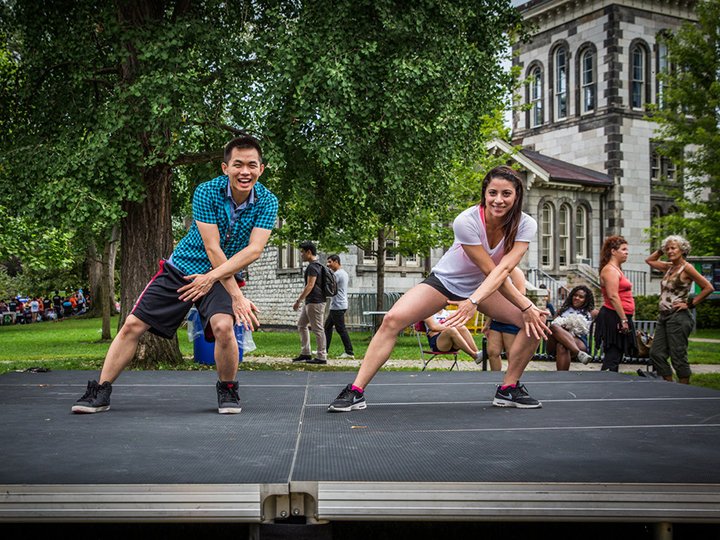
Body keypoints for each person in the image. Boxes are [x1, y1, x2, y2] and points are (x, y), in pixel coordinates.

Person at [71, 136, 278, 414]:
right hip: (182, 268)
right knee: (132, 325)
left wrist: (216, 281)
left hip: (220, 276)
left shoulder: (267, 201)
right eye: (237, 164)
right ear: (224, 167)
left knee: (224, 328)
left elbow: (254, 250)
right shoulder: (206, 191)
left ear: (261, 169)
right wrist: (236, 295)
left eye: (251, 165)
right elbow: (212, 247)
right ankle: (100, 390)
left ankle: (228, 390)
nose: (244, 171)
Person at [327, 165, 550, 412]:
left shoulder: (525, 224)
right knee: (391, 320)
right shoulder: (466, 221)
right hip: (444, 283)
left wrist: (527, 308)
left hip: (483, 289)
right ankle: (356, 391)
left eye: (506, 194)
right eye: (493, 193)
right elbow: (491, 270)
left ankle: (509, 388)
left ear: (517, 195)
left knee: (536, 322)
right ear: (484, 194)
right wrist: (480, 302)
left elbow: (504, 270)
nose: (498, 200)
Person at [645, 235, 714, 384]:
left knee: (678, 355)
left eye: (673, 248)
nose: (670, 251)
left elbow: (708, 288)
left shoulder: (687, 268)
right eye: (667, 248)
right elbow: (649, 261)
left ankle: (684, 389)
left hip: (678, 317)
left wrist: (690, 304)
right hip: (663, 316)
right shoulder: (669, 267)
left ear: (682, 250)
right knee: (656, 353)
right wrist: (661, 250)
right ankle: (669, 385)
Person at [594, 236, 637, 372]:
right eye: (623, 249)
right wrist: (623, 319)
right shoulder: (609, 270)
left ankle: (610, 382)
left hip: (620, 315)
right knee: (613, 354)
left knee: (617, 355)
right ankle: (606, 383)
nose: (626, 252)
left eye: (627, 250)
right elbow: (613, 296)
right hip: (614, 316)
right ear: (613, 251)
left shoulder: (616, 269)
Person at [483, 267, 528, 372]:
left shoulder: (516, 272)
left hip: (510, 320)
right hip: (496, 319)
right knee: (492, 351)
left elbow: (521, 294)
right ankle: (495, 377)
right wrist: (487, 323)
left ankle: (511, 379)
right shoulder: (495, 270)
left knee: (511, 353)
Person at [292, 241, 328, 365]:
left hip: (315, 302)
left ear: (309, 252)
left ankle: (321, 356)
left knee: (318, 329)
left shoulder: (313, 267)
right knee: (301, 325)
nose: (301, 254)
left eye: (302, 252)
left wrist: (298, 301)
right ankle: (306, 352)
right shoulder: (316, 265)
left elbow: (310, 285)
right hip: (311, 302)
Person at [547, 285, 596, 370]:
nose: (577, 298)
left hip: (579, 340)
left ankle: (562, 378)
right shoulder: (561, 310)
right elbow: (553, 330)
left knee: (562, 346)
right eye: (575, 295)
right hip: (555, 342)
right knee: (554, 326)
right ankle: (579, 354)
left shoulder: (591, 312)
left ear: (586, 300)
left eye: (581, 297)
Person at [324, 254, 355, 359]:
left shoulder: (337, 274)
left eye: (330, 262)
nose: (328, 265)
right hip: (339, 305)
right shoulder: (343, 273)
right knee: (327, 327)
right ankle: (324, 350)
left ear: (336, 261)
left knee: (341, 329)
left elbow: (328, 286)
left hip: (338, 306)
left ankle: (349, 352)